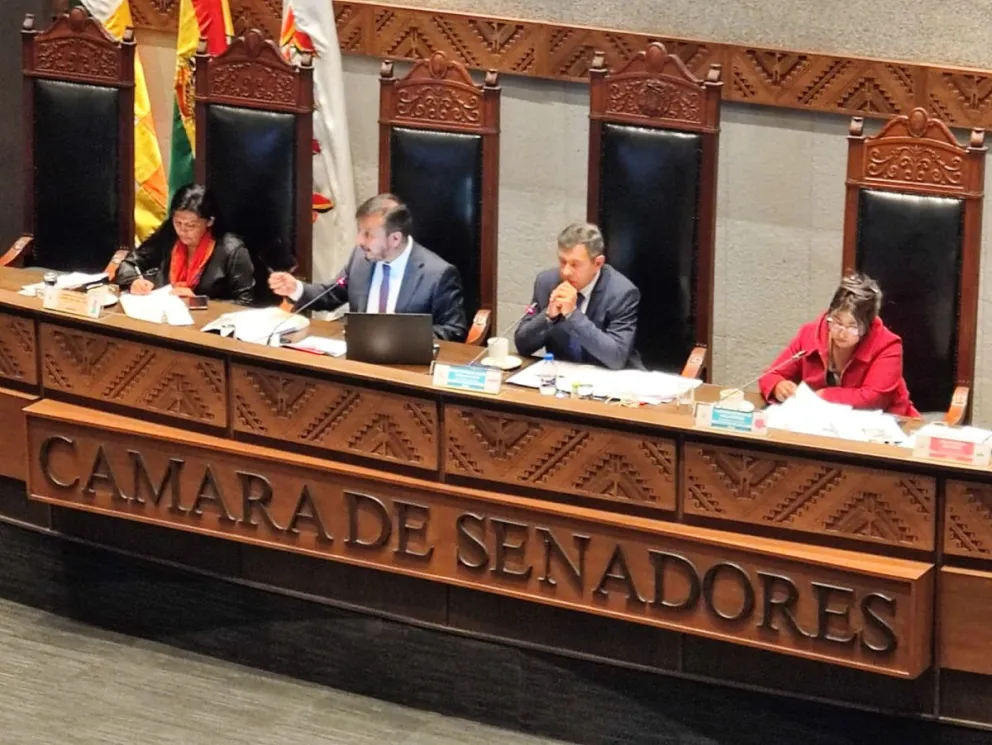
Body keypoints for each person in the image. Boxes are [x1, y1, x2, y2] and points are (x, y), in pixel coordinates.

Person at [268, 194, 468, 342]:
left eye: (368, 234)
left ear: (395, 238)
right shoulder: (361, 258)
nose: (359, 241)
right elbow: (332, 293)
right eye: (359, 232)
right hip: (356, 360)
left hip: (407, 369)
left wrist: (399, 336)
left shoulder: (438, 274)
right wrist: (296, 288)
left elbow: (455, 331)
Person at [758, 273, 919, 417]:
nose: (841, 332)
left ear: (868, 326)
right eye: (836, 322)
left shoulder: (887, 345)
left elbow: (874, 399)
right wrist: (778, 385)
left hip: (889, 423)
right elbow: (770, 375)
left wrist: (824, 396)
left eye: (852, 326)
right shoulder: (811, 334)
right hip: (827, 422)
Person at [514, 222, 641, 370]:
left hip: (609, 380)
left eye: (575, 264)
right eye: (562, 262)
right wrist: (548, 316)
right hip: (562, 378)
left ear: (598, 263)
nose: (566, 272)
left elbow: (616, 358)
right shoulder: (547, 283)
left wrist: (572, 315)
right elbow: (522, 346)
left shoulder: (622, 293)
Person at [115, 184, 255, 305]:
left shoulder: (232, 250)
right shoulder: (170, 233)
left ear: (210, 221)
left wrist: (197, 301)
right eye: (178, 223)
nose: (182, 230)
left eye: (191, 225)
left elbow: (246, 302)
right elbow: (129, 264)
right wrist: (133, 281)